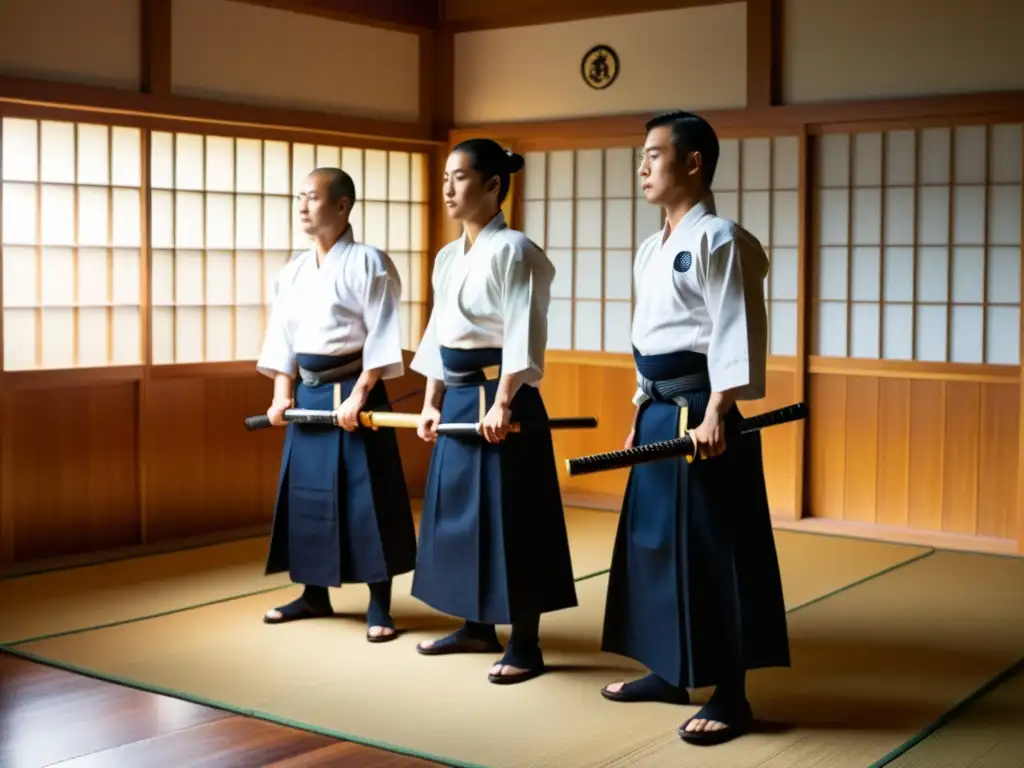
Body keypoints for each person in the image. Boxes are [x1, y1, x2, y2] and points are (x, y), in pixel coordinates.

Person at [599, 112, 790, 745]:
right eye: (641, 156)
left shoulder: (720, 238)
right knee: (654, 544)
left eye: (654, 155)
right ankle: (667, 669)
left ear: (693, 163)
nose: (643, 167)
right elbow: (645, 342)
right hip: (659, 409)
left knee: (715, 550)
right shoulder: (651, 247)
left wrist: (718, 412)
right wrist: (637, 412)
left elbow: (735, 329)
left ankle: (732, 694)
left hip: (705, 411)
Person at [408, 139, 578, 685]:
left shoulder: (515, 250)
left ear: (493, 186)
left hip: (499, 399)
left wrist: (504, 401)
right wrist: (431, 401)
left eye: (460, 178)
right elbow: (437, 335)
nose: (449, 189)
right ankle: (476, 625)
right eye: (445, 178)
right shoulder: (446, 256)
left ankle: (525, 643)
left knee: (514, 520)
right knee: (459, 517)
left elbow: (524, 333)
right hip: (459, 398)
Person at [256, 166, 417, 643]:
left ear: (343, 206)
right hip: (308, 396)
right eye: (299, 197)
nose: (302, 206)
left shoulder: (370, 262)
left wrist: (361, 394)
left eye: (312, 197)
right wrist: (281, 394)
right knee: (307, 496)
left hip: (355, 393)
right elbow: (281, 339)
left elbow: (384, 335)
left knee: (368, 498)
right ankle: (313, 594)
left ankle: (380, 605)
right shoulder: (292, 271)